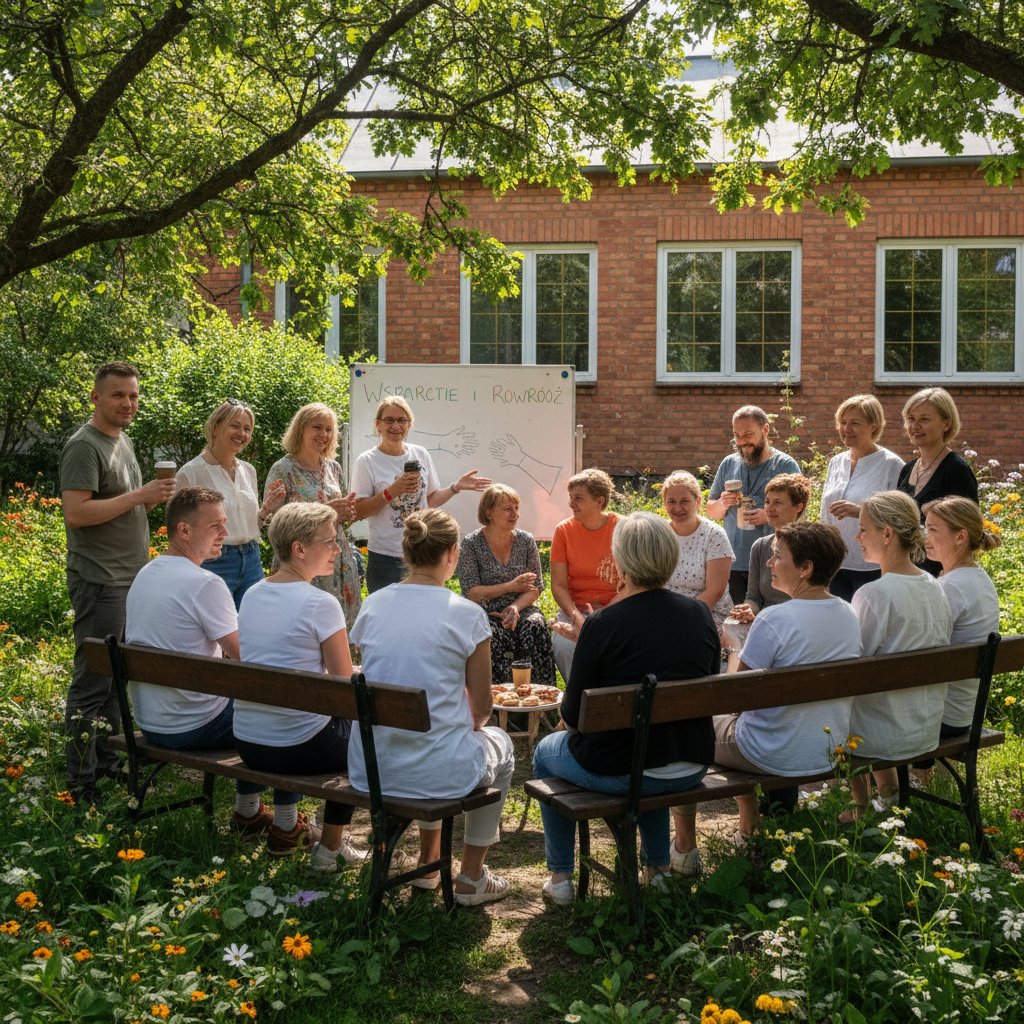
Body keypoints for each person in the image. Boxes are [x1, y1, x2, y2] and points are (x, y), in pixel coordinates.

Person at [533, 512, 719, 903]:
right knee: (647, 743)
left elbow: (571, 716)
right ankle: (657, 871)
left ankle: (561, 879)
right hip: (691, 762)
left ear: (619, 563)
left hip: (624, 769)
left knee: (544, 754)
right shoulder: (699, 615)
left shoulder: (603, 625)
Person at [349, 509, 515, 906]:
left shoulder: (374, 605)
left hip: (372, 768)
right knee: (501, 746)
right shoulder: (467, 615)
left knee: (438, 738)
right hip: (438, 771)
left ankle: (428, 858)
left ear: (406, 553)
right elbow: (480, 712)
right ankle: (472, 877)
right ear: (453, 553)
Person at [675, 522, 861, 846]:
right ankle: (761, 819)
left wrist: (733, 646)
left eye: (777, 557)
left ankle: (712, 837)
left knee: (687, 722)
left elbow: (732, 698)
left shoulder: (775, 619)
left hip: (768, 752)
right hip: (828, 749)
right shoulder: (848, 613)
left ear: (806, 568)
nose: (768, 563)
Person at [60, 361, 176, 802]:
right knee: (93, 681)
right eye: (118, 395)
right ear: (96, 398)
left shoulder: (121, 440)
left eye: (133, 396)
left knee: (114, 679)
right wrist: (142, 495)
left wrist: (149, 501)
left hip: (129, 578)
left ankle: (105, 768)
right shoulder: (83, 446)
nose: (128, 403)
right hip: (100, 581)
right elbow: (77, 513)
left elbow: (118, 509)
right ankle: (79, 785)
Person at [124, 487, 269, 831]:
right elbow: (245, 657)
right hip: (192, 725)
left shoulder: (146, 574)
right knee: (273, 709)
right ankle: (256, 815)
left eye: (225, 523)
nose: (225, 533)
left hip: (150, 722)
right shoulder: (205, 584)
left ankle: (252, 812)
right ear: (184, 530)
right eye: (215, 525)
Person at [234, 502, 368, 870]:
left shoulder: (253, 594)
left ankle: (286, 824)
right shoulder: (320, 603)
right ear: (299, 549)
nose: (338, 549)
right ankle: (331, 847)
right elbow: (344, 688)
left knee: (301, 711)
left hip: (249, 742)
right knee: (361, 734)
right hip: (297, 748)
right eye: (330, 541)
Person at [845, 491, 953, 820]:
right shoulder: (935, 585)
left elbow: (852, 662)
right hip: (924, 725)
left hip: (883, 733)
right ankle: (887, 791)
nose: (857, 536)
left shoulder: (874, 594)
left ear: (887, 534)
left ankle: (860, 805)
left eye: (863, 529)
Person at [352, 396, 491, 593]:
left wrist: (455, 487)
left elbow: (429, 501)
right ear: (378, 425)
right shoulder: (367, 461)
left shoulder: (420, 454)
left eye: (402, 420)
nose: (396, 426)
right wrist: (392, 491)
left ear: (409, 425)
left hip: (423, 553)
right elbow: (358, 511)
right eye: (389, 420)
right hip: (386, 557)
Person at [176, 400, 285, 608]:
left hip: (251, 558)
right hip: (214, 562)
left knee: (250, 624)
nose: (241, 434)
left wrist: (265, 511)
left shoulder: (248, 470)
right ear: (216, 427)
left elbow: (251, 525)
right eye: (235, 426)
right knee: (214, 633)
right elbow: (180, 531)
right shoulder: (191, 473)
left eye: (247, 429)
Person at [261, 404, 362, 627]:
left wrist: (345, 512)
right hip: (301, 559)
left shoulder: (333, 468)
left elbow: (338, 511)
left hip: (336, 556)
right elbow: (275, 523)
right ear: (300, 430)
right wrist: (328, 510)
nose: (323, 434)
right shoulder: (282, 469)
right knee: (305, 625)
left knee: (338, 625)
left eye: (328, 429)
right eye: (317, 427)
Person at [457, 484, 556, 686]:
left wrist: (514, 607)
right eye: (507, 509)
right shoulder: (471, 544)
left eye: (516, 508)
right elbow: (472, 592)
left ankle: (536, 703)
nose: (515, 514)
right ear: (489, 512)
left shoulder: (526, 541)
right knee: (494, 634)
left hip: (521, 607)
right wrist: (509, 586)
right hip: (487, 611)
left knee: (534, 625)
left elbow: (535, 587)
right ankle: (497, 706)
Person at [923, 497, 1002, 736]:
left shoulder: (951, 586)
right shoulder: (979, 578)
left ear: (960, 537)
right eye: (926, 528)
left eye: (933, 530)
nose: (925, 537)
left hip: (942, 715)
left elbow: (923, 646)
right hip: (964, 711)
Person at [707, 405, 801, 604]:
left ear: (765, 430)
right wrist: (723, 503)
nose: (742, 442)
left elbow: (800, 512)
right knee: (739, 620)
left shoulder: (785, 465)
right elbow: (712, 511)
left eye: (748, 434)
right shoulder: (728, 463)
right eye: (737, 436)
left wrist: (768, 516)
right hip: (733, 560)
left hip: (772, 561)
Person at [819, 394, 906, 601]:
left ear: (873, 427)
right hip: (835, 564)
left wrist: (860, 512)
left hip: (872, 567)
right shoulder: (836, 462)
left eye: (855, 423)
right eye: (843, 422)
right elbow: (825, 514)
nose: (846, 429)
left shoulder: (892, 465)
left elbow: (901, 518)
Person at [549, 468, 622, 683]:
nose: (571, 504)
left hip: (616, 609)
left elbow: (632, 583)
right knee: (564, 647)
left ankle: (609, 702)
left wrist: (601, 617)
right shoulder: (563, 531)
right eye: (570, 498)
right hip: (576, 610)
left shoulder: (623, 528)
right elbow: (559, 585)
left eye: (578, 498)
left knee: (614, 651)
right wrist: (576, 616)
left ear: (599, 501)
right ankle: (580, 705)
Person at [896, 387, 978, 576]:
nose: (915, 426)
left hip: (941, 576)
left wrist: (948, 573)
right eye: (911, 418)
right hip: (907, 574)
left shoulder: (957, 470)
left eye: (924, 419)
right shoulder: (907, 469)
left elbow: (969, 532)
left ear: (946, 424)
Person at [731, 473, 811, 623]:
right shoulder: (760, 546)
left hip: (800, 621)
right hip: (766, 622)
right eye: (767, 502)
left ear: (798, 507)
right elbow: (753, 598)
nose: (769, 508)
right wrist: (748, 609)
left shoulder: (811, 546)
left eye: (778, 503)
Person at [660, 470, 733, 630]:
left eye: (685, 501)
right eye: (671, 501)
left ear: (698, 501)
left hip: (707, 614)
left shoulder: (714, 535)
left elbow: (714, 592)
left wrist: (679, 619)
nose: (677, 507)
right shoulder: (659, 534)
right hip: (665, 613)